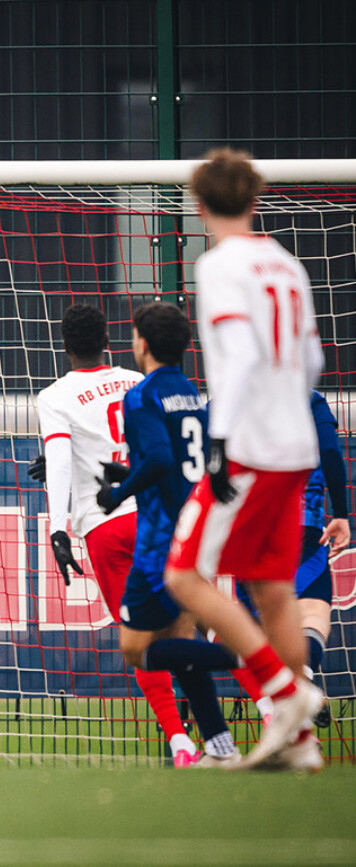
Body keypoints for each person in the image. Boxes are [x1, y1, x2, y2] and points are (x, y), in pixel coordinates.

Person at [163, 148, 326, 772]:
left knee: (183, 575)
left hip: (252, 446)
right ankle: (299, 746)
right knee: (273, 590)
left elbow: (237, 352)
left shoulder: (219, 265)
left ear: (199, 206)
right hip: (296, 445)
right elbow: (310, 359)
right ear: (255, 200)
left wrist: (223, 439)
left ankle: (285, 694)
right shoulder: (285, 264)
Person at [30, 304, 191, 764]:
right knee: (186, 627)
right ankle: (254, 708)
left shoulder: (55, 396)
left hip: (105, 527)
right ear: (109, 339)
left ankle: (179, 742)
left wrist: (57, 529)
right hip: (157, 515)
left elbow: (60, 461)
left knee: (138, 637)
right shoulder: (135, 382)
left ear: (65, 345)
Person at [94, 301, 241, 767]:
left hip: (160, 538)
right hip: (195, 530)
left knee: (137, 649)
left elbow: (158, 461)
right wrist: (128, 471)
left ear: (142, 342)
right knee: (183, 646)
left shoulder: (141, 395)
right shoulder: (191, 392)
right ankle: (220, 745)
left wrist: (119, 494)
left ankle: (258, 658)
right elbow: (179, 460)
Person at [233, 390, 351, 727]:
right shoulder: (309, 397)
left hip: (250, 524)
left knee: (256, 623)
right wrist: (341, 512)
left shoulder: (232, 396)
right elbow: (329, 450)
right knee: (311, 611)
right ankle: (303, 678)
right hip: (303, 523)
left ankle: (283, 709)